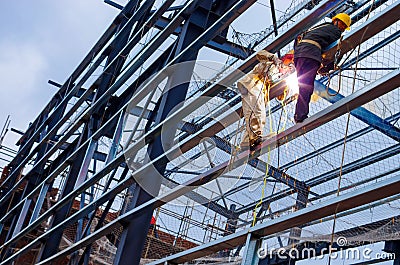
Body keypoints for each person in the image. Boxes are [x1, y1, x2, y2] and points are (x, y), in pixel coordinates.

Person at [293, 13, 351, 123]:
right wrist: (327, 68)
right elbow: (338, 50)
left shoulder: (320, 27)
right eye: (343, 25)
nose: (342, 29)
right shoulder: (336, 31)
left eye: (344, 27)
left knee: (302, 85)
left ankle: (299, 114)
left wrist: (297, 51)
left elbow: (298, 37)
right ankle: (300, 117)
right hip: (310, 53)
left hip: (299, 55)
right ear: (336, 22)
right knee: (307, 87)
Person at [238, 50, 294, 151]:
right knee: (259, 113)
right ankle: (256, 139)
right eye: (288, 64)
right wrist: (274, 58)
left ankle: (246, 143)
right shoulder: (271, 64)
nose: (289, 67)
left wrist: (286, 81)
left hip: (257, 91)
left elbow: (280, 97)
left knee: (251, 116)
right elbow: (260, 54)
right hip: (252, 85)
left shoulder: (282, 77)